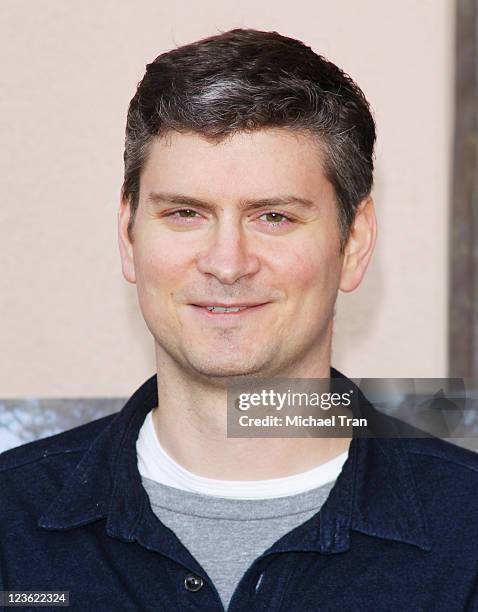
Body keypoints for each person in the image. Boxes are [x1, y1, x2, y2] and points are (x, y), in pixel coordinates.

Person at [1, 28, 477, 612]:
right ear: (128, 237)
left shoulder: (468, 531)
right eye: (184, 213)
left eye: (273, 216)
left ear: (353, 243)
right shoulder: (10, 524)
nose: (227, 263)